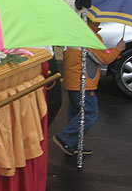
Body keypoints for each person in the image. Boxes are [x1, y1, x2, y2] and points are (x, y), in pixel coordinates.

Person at [4, 0, 83, 127]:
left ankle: (36, 143)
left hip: (47, 41)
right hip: (30, 43)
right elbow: (14, 5)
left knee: (51, 101)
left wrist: (76, 4)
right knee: (41, 100)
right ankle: (30, 143)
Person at [53, 19, 125, 156]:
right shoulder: (90, 35)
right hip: (83, 81)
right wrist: (118, 49)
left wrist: (112, 52)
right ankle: (66, 138)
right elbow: (104, 58)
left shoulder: (78, 30)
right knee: (90, 112)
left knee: (76, 112)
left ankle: (74, 144)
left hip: (73, 80)